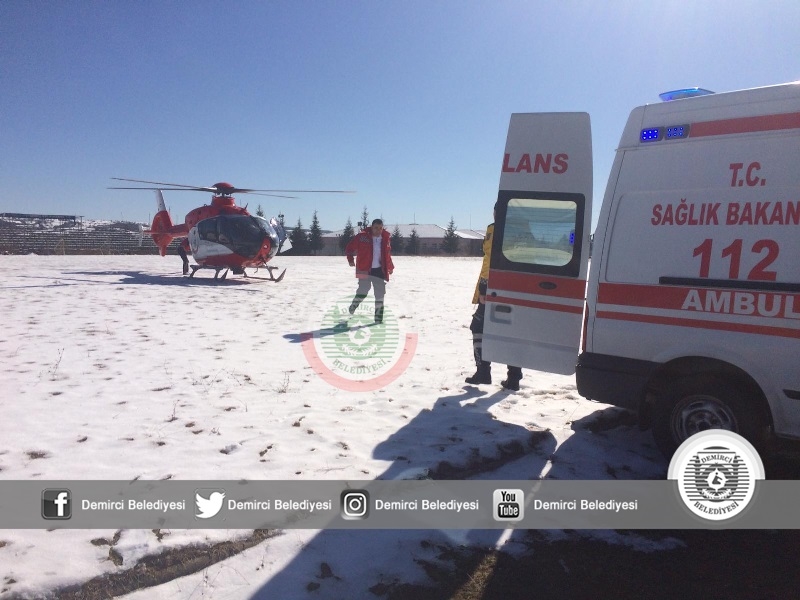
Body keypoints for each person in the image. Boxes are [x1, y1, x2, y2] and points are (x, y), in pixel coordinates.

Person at [465, 208, 523, 391]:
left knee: (477, 327)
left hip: (495, 288)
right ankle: (514, 378)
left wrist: (484, 288)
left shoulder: (495, 229)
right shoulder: (523, 230)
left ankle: (483, 371)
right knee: (512, 332)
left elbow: (490, 261)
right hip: (518, 289)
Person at [345, 219, 394, 324]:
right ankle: (353, 307)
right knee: (363, 291)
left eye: (380, 228)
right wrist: (350, 260)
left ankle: (378, 320)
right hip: (364, 269)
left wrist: (390, 267)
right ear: (371, 227)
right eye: (376, 228)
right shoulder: (362, 237)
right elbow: (349, 247)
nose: (378, 230)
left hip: (379, 270)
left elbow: (387, 255)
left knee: (380, 294)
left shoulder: (385, 238)